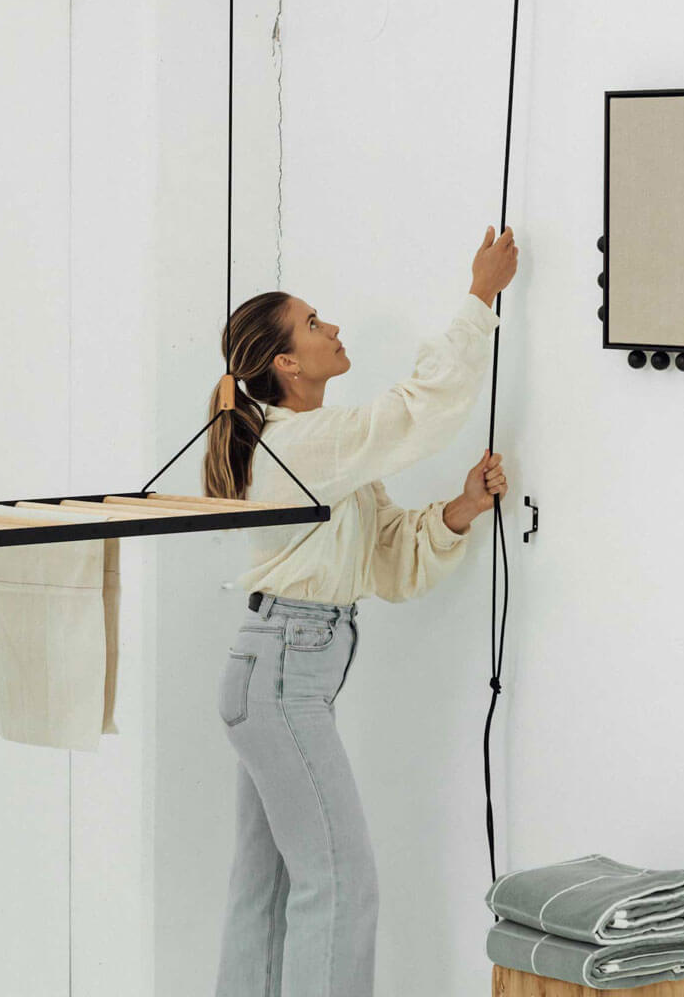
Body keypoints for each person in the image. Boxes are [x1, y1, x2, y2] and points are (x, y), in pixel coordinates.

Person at [202, 225, 519, 997]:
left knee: (270, 889)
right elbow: (419, 410)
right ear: (284, 362)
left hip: (277, 671)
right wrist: (479, 297)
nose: (332, 328)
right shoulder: (307, 443)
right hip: (282, 677)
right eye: (313, 324)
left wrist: (459, 510)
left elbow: (379, 552)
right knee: (340, 885)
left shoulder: (320, 449)